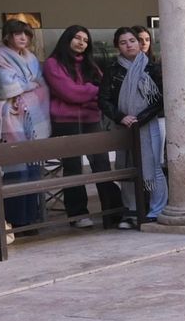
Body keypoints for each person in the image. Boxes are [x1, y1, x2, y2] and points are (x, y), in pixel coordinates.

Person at [44, 25, 128, 229]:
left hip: (92, 120)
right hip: (66, 123)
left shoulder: (91, 64)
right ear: (67, 39)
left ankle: (112, 212)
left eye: (85, 40)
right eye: (77, 38)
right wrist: (91, 92)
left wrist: (87, 95)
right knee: (73, 168)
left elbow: (103, 90)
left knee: (102, 165)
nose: (81, 42)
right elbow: (69, 93)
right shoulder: (52, 64)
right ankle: (78, 214)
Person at [0, 18, 51, 233]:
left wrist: (26, 87)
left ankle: (30, 217)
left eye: (26, 34)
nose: (23, 38)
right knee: (15, 169)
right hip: (8, 115)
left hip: (28, 117)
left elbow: (42, 85)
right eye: (17, 34)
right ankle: (14, 220)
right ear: (7, 36)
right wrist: (29, 86)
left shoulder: (31, 57)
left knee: (32, 168)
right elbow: (6, 86)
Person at [100, 27, 167, 224]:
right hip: (123, 126)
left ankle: (157, 209)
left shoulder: (151, 68)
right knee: (128, 167)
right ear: (117, 47)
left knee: (154, 166)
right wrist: (121, 117)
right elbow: (104, 99)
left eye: (132, 40)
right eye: (123, 42)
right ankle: (132, 211)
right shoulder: (113, 70)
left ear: (138, 44)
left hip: (147, 125)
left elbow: (160, 99)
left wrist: (140, 118)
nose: (129, 45)